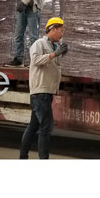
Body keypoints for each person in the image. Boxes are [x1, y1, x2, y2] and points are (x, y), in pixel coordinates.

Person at [19, 17, 67, 159]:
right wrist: (54, 54)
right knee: (46, 127)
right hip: (40, 93)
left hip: (46, 92)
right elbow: (35, 60)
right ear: (53, 29)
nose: (62, 34)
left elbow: (53, 67)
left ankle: (22, 157)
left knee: (33, 126)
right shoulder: (39, 44)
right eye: (61, 31)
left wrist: (58, 54)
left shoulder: (53, 46)